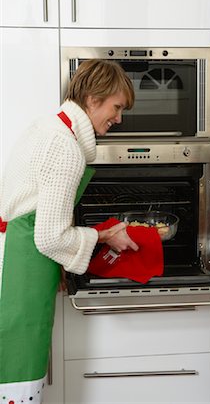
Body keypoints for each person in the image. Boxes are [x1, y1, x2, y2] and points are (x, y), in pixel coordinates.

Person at [0, 59, 139, 402]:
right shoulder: (65, 147)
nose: (119, 118)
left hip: (14, 259)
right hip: (22, 271)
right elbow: (50, 237)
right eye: (116, 107)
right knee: (18, 378)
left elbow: (37, 220)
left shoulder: (45, 127)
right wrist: (103, 237)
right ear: (93, 99)